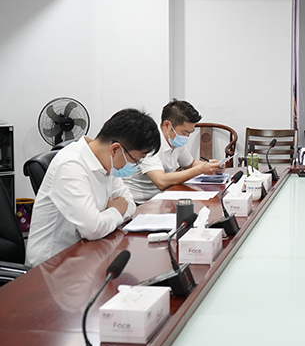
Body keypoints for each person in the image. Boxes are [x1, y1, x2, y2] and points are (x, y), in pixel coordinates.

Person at [25, 108, 161, 267]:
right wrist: (116, 210)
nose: (135, 165)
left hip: (88, 253)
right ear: (115, 149)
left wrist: (107, 215)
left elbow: (129, 204)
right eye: (136, 160)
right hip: (51, 266)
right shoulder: (71, 165)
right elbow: (93, 229)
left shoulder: (108, 163)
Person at [123, 99, 222, 203]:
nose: (186, 137)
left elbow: (190, 164)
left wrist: (212, 166)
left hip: (164, 196)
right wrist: (200, 169)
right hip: (141, 202)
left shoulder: (175, 140)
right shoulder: (149, 142)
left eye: (190, 133)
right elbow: (161, 182)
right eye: (184, 132)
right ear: (167, 125)